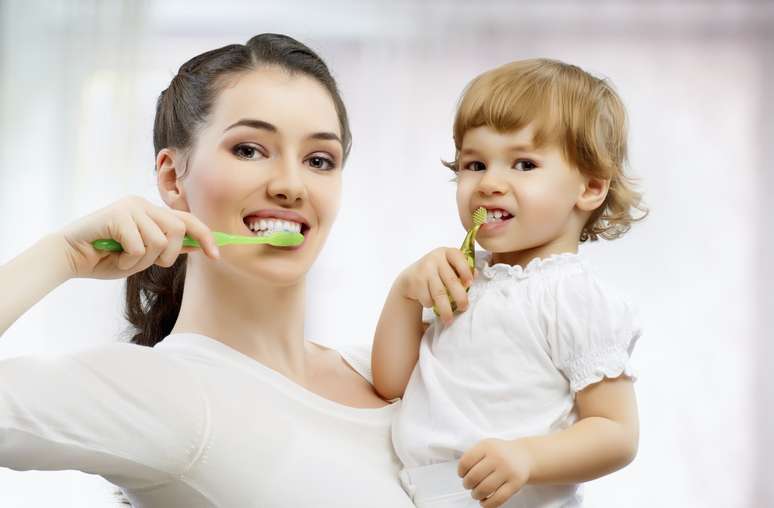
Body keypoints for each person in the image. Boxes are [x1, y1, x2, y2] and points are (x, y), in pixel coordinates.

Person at [0, 33, 414, 508]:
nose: (291, 186)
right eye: (249, 150)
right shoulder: (165, 394)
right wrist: (62, 255)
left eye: (319, 160)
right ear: (173, 178)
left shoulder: (388, 369)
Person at [372, 59, 647, 507]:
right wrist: (405, 292)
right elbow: (391, 382)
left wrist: (528, 457)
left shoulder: (571, 296)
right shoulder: (460, 275)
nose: (489, 184)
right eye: (475, 164)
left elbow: (616, 433)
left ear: (590, 188)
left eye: (523, 163)